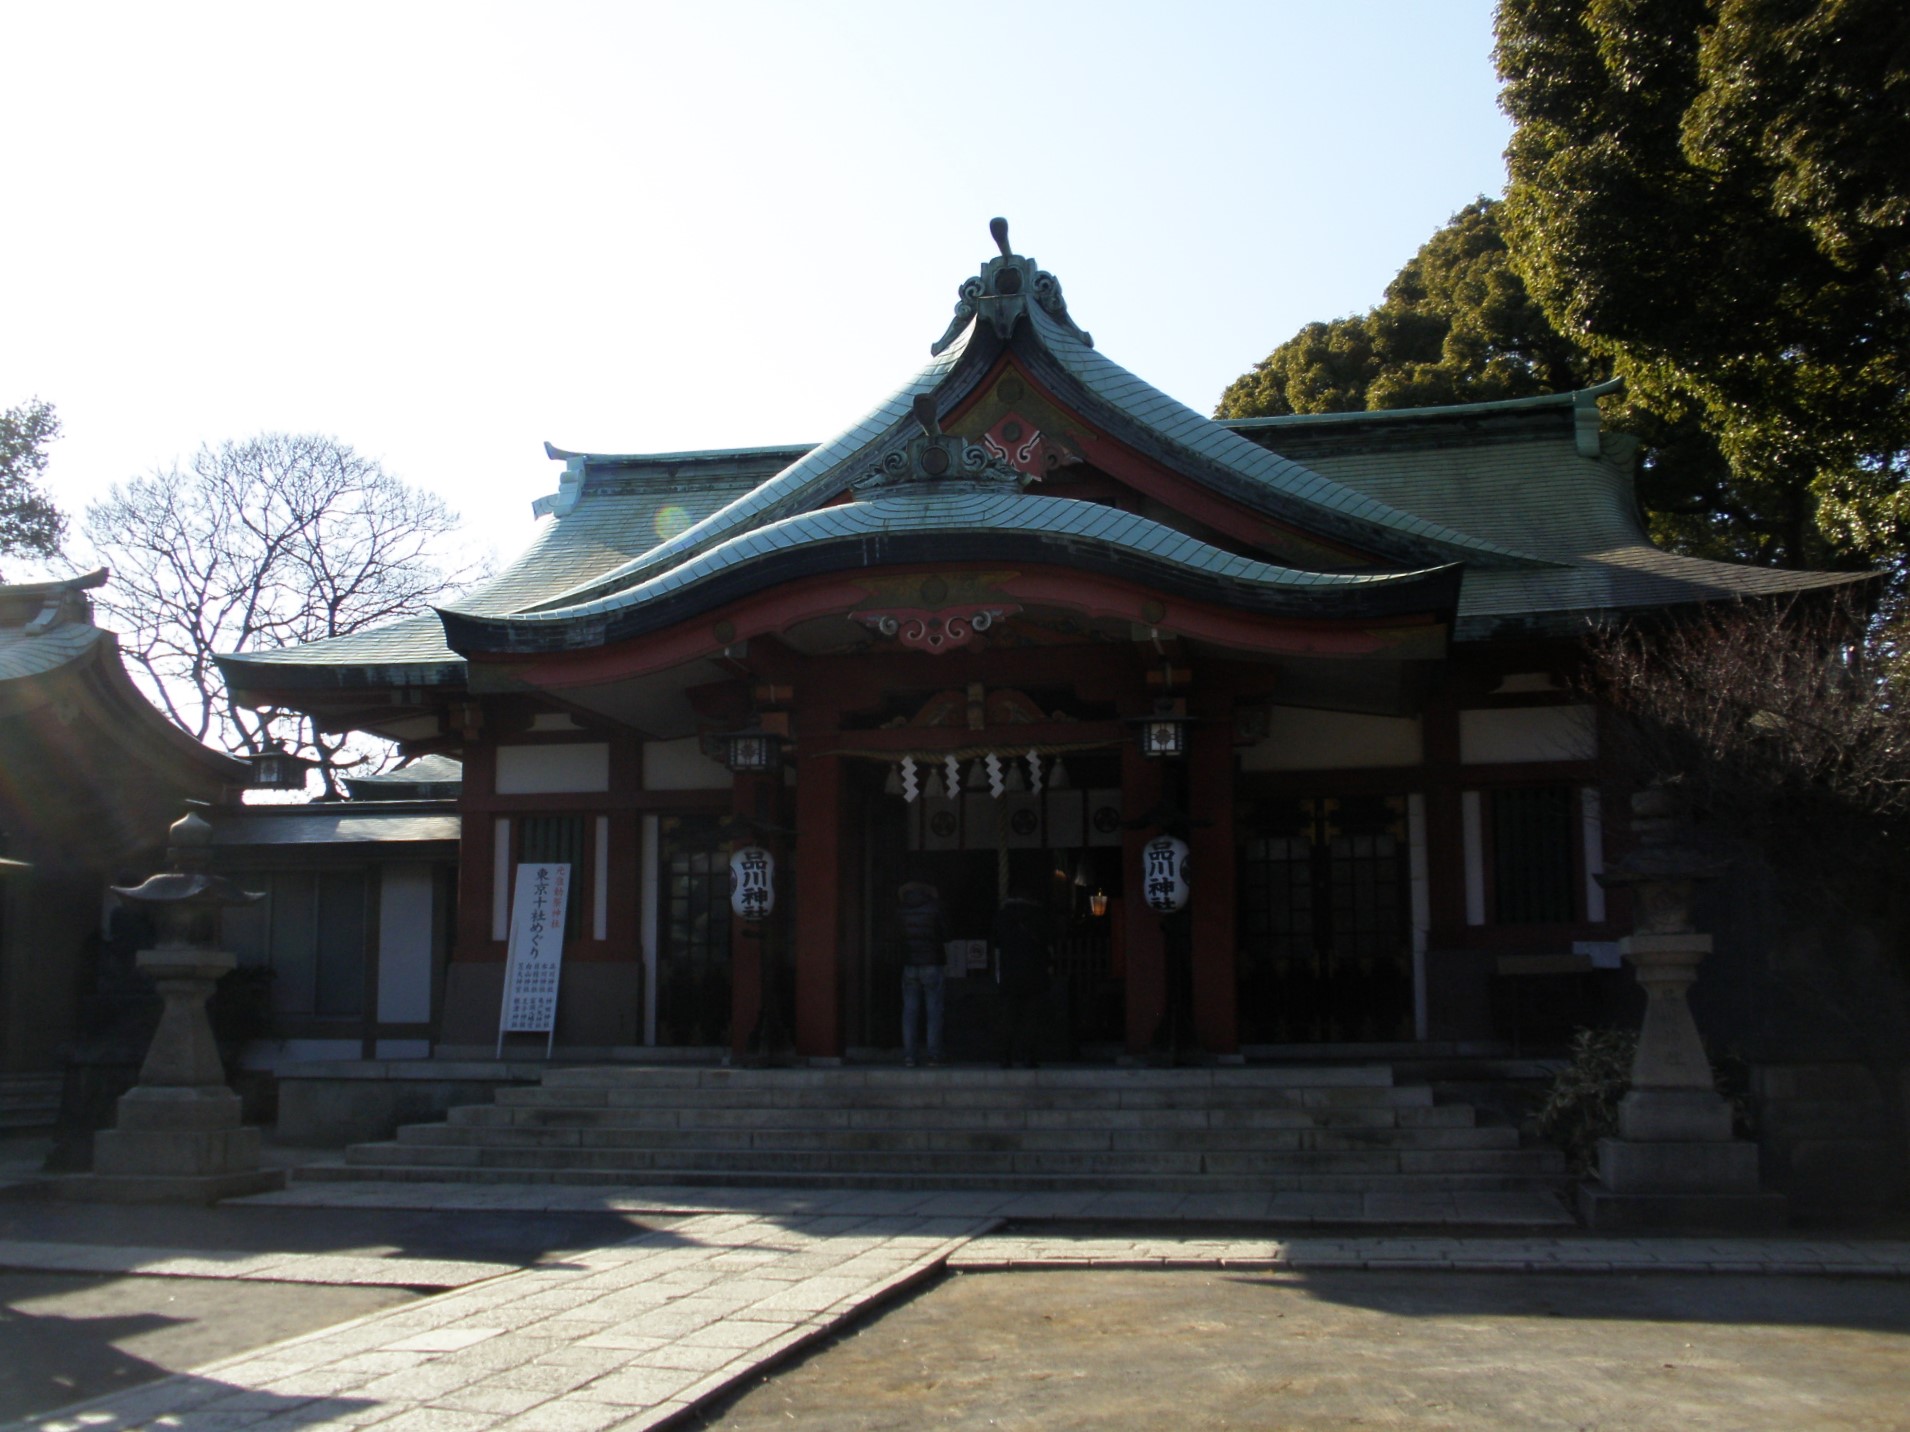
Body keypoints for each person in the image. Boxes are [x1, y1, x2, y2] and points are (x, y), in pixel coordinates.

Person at [990, 886, 1052, 1068]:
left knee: (1008, 1016)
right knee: (1031, 1017)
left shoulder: (1002, 917)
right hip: (1035, 971)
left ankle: (1005, 1056)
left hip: (1010, 972)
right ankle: (1028, 1056)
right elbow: (1049, 941)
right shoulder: (1039, 916)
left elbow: (996, 944)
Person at [893, 875, 949, 1067]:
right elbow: (947, 934)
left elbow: (895, 936)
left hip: (909, 963)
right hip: (932, 962)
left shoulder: (900, 910)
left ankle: (909, 1055)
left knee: (909, 1011)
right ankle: (933, 1054)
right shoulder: (934, 908)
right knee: (933, 1010)